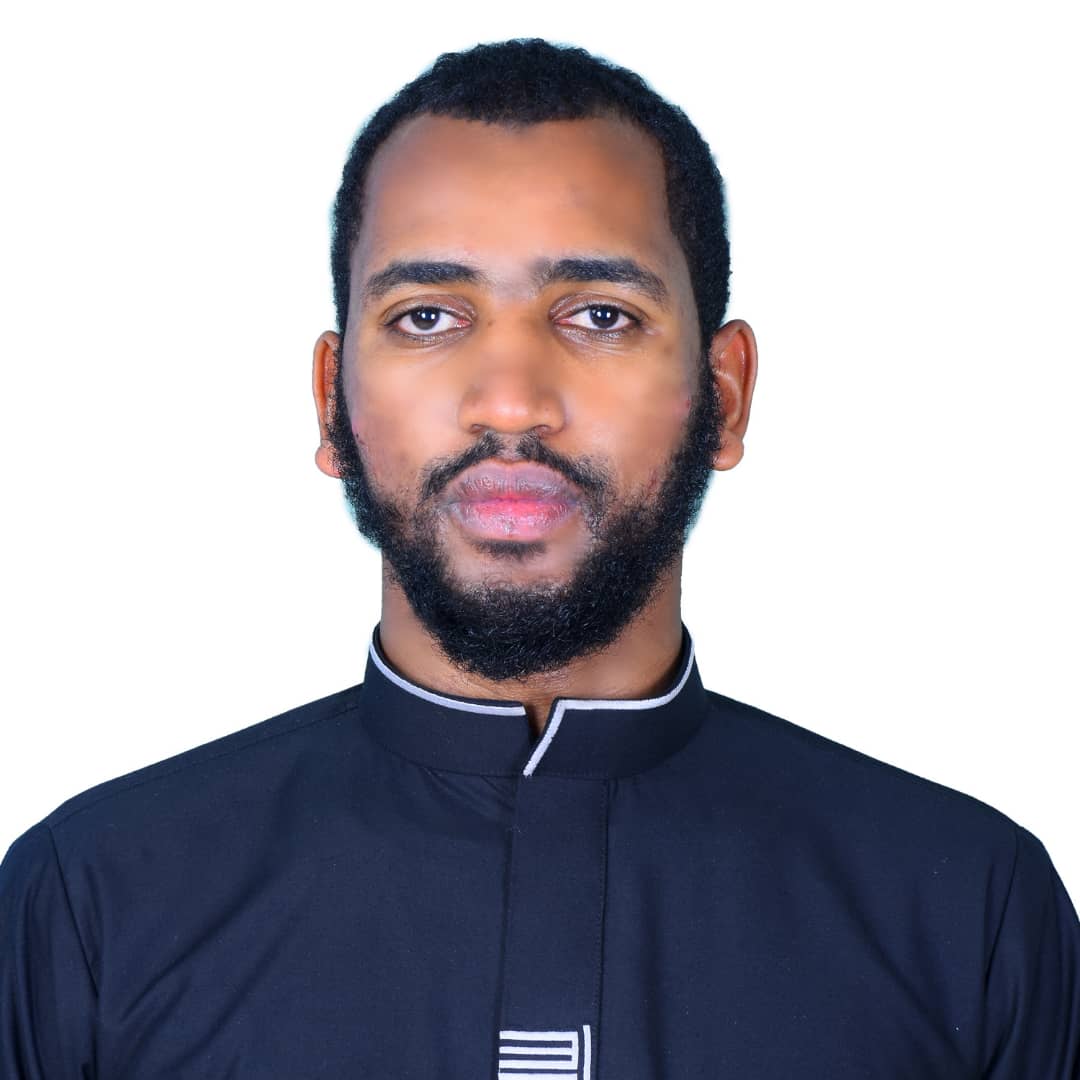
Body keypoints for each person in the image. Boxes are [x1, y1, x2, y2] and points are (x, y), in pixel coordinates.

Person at [1, 36, 1077, 1079]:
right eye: (428, 316)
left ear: (726, 394)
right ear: (331, 401)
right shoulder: (90, 907)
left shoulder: (972, 916)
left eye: (600, 315)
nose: (510, 401)